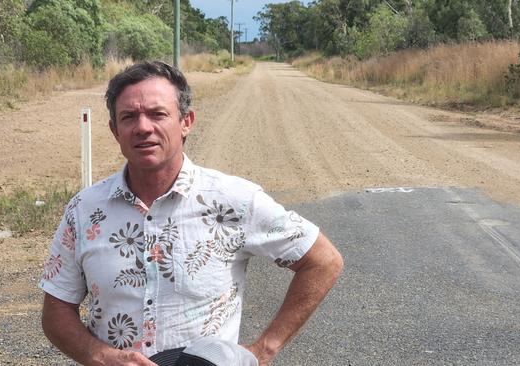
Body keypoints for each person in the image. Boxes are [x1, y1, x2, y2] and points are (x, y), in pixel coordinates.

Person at [39, 61, 344, 366]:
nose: (143, 127)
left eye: (158, 114)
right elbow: (56, 310)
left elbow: (323, 261)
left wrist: (264, 350)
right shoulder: (84, 210)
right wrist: (99, 356)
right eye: (129, 117)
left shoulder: (234, 201)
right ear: (114, 130)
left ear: (186, 122)